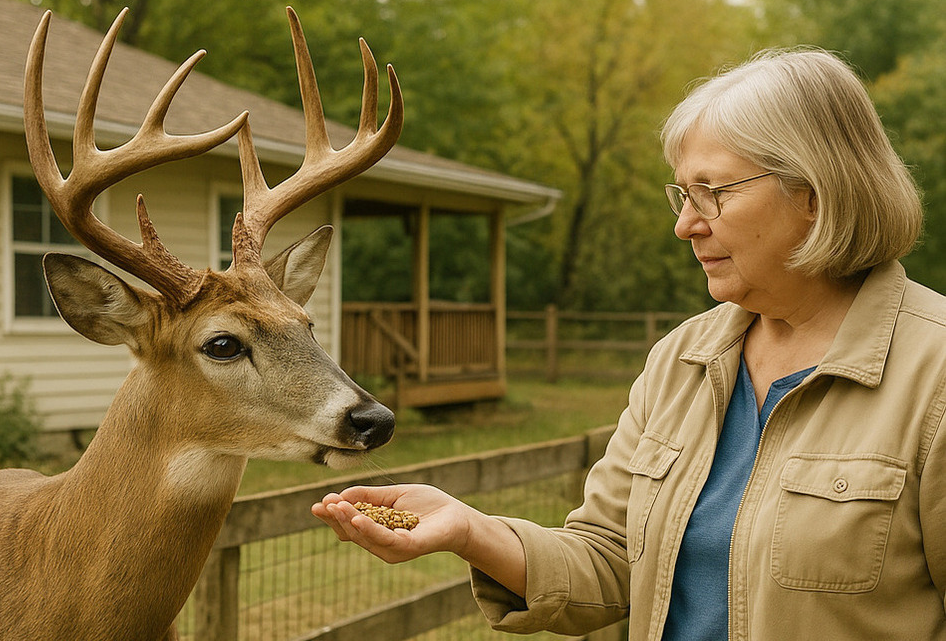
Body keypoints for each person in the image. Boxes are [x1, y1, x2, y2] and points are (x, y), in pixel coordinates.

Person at [312, 48, 946, 640]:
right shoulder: (680, 361)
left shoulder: (934, 374)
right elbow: (610, 560)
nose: (685, 225)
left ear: (813, 194)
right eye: (683, 195)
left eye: (713, 193)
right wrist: (470, 530)